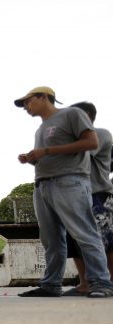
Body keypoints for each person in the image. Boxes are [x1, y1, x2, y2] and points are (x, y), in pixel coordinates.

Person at [14, 87, 113, 298]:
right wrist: (33, 159)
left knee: (84, 232)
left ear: (44, 97)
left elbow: (91, 142)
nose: (26, 107)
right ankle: (51, 284)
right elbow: (51, 156)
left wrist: (46, 151)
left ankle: (101, 282)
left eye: (28, 102)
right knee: (51, 239)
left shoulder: (72, 114)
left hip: (70, 181)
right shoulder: (41, 129)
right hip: (43, 184)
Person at [63, 102, 113, 295]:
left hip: (97, 193)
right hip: (74, 196)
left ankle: (107, 282)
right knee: (76, 242)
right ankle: (85, 284)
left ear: (86, 116)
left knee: (104, 240)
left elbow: (79, 153)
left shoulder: (99, 133)